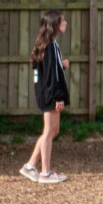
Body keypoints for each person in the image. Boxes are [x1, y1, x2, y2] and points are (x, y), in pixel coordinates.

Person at [25, 10, 70, 184]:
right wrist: (58, 97)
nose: (65, 23)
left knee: (52, 131)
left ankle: (29, 166)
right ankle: (45, 172)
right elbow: (51, 75)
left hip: (48, 93)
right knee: (49, 132)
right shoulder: (50, 46)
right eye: (62, 21)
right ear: (54, 25)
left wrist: (62, 65)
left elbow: (47, 70)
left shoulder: (49, 44)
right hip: (50, 94)